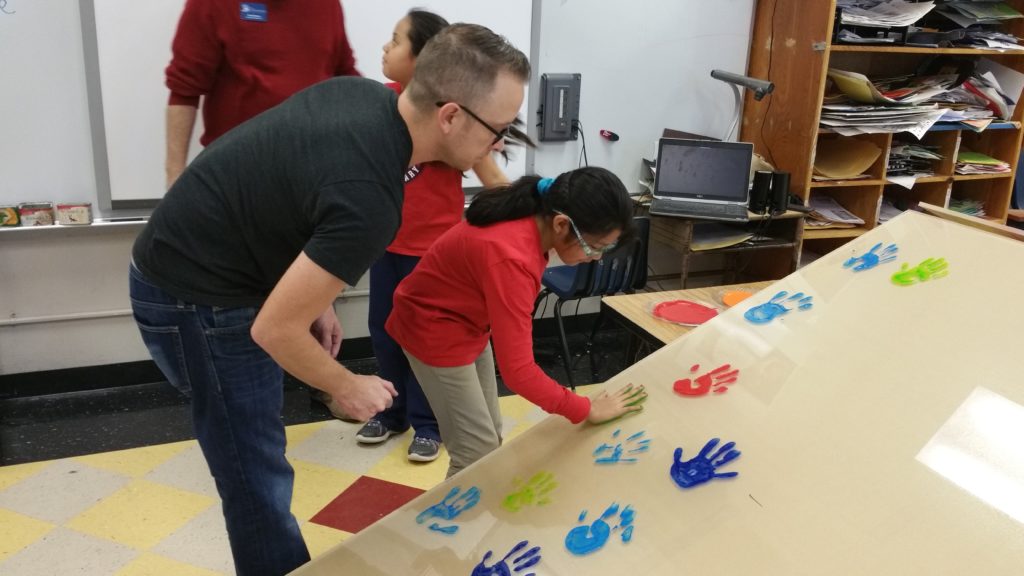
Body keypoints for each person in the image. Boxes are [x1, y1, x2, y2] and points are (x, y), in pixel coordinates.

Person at [130, 24, 531, 576]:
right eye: (499, 130)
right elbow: (273, 331)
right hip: (193, 295)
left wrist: (313, 295)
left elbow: (288, 191)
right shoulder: (371, 200)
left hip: (209, 263)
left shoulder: (362, 96)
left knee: (259, 459)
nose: (499, 146)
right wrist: (346, 385)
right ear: (451, 116)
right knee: (255, 473)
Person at [386, 167, 649, 479]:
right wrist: (585, 409)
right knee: (476, 453)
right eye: (595, 247)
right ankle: (449, 524)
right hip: (432, 328)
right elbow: (519, 373)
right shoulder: (512, 257)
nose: (595, 258)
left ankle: (474, 509)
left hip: (467, 321)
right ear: (562, 224)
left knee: (488, 439)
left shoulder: (532, 215)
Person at [349, 9, 509, 463]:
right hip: (386, 244)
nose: (384, 47)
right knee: (383, 330)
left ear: (425, 59)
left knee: (422, 338)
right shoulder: (383, 104)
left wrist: (530, 216)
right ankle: (392, 411)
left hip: (435, 253)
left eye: (396, 40)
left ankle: (428, 422)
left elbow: (490, 173)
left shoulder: (453, 119)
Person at [164, 0, 360, 188]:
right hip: (236, 172)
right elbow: (184, 90)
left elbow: (347, 77)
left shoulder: (328, 4)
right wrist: (175, 176)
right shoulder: (212, 3)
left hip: (315, 170)